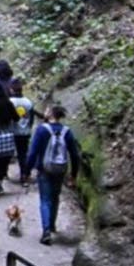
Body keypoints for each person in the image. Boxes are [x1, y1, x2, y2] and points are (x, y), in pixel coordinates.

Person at [24, 104, 89, 243]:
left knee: (45, 199)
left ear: (51, 114)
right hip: (60, 169)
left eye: (47, 110)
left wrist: (27, 170)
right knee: (55, 197)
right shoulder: (67, 131)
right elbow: (74, 154)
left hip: (44, 169)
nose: (45, 112)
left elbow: (33, 152)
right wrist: (73, 174)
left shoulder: (42, 130)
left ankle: (46, 231)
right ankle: (52, 225)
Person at [9, 77, 38, 180]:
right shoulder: (28, 102)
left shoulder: (10, 102)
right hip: (25, 133)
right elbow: (31, 119)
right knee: (23, 154)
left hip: (12, 132)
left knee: (8, 154)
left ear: (11, 89)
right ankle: (24, 175)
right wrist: (28, 128)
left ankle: (4, 174)